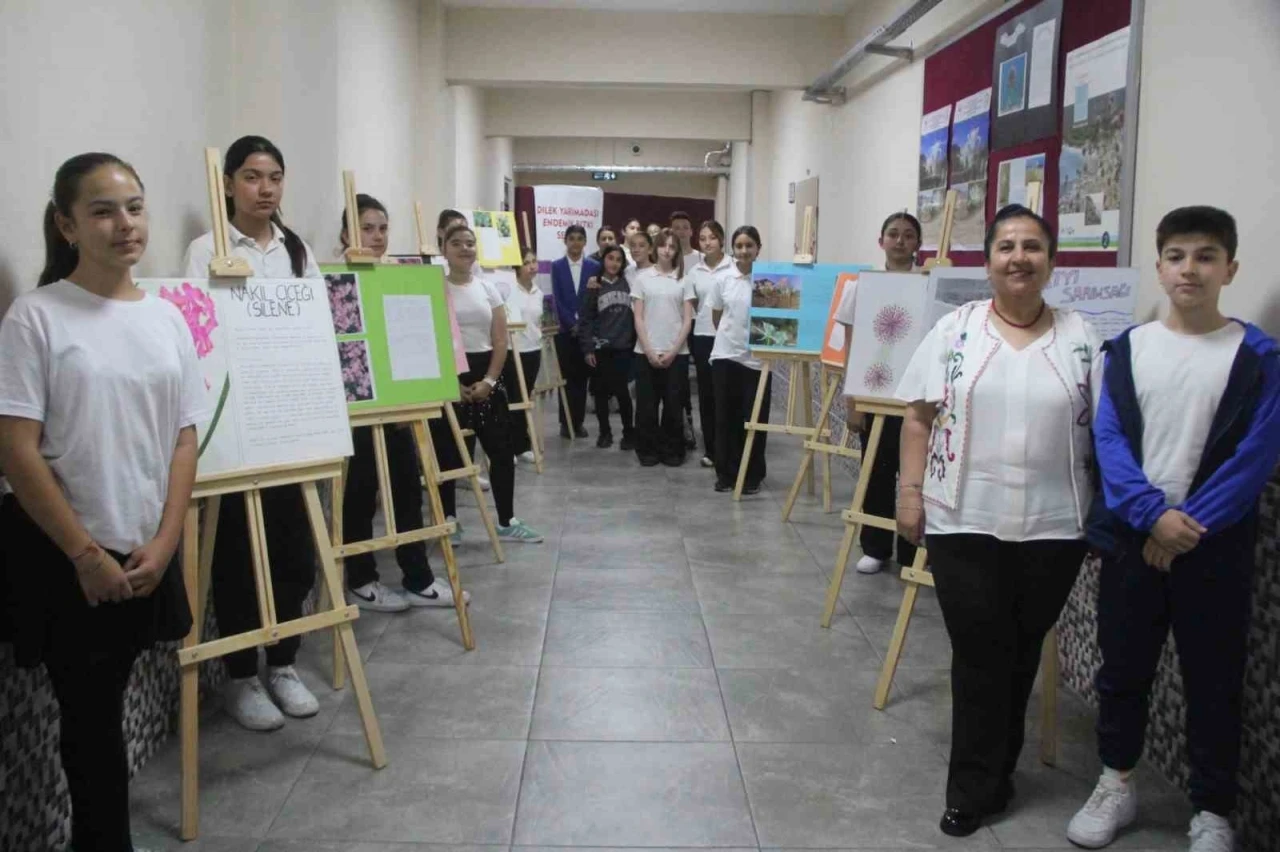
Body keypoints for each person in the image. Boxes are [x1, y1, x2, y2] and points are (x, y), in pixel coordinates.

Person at [0, 153, 202, 851]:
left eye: (135, 207)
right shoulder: (36, 317)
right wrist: (85, 555)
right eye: (103, 211)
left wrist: (167, 540)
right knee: (88, 723)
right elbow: (16, 448)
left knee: (106, 705)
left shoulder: (168, 319)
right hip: (65, 555)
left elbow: (183, 439)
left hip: (144, 549)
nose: (125, 224)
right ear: (67, 225)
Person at [1067, 207, 1280, 852]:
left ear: (1230, 269)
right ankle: (1116, 782)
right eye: (1177, 256)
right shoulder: (1127, 351)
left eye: (1206, 257)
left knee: (1215, 680)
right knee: (1123, 670)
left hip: (1217, 545)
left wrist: (1189, 526)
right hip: (1135, 541)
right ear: (1159, 268)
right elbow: (1109, 442)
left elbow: (1256, 455)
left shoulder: (1259, 356)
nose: (1191, 269)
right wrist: (1152, 518)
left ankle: (1213, 811)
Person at [895, 204, 1101, 838]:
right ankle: (970, 787)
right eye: (1006, 246)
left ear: (1051, 262)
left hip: (1055, 525)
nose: (1019, 258)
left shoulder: (1082, 339)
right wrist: (909, 494)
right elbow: (918, 418)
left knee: (1018, 651)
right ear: (987, 263)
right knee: (978, 650)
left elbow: (1107, 431)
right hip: (963, 519)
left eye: (1032, 246)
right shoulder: (954, 332)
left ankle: (998, 771)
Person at [182, 135, 325, 731]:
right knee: (237, 554)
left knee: (293, 551)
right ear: (228, 184)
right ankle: (241, 677)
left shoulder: (297, 251)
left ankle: (284, 664)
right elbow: (195, 333)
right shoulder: (205, 249)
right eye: (251, 176)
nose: (265, 189)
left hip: (289, 423)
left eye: (274, 177)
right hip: (234, 430)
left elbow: (316, 325)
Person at [333, 195, 466, 613]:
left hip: (400, 405)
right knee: (359, 493)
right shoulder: (335, 280)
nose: (377, 237)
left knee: (408, 487)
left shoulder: (398, 274)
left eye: (383, 228)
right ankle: (361, 580)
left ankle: (418, 577)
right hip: (356, 409)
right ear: (346, 235)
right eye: (367, 228)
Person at [433, 223, 544, 543]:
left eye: (470, 243)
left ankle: (507, 521)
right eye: (457, 243)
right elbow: (432, 339)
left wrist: (490, 380)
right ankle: (450, 520)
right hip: (450, 376)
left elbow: (500, 341)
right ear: (444, 249)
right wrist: (450, 383)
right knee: (449, 455)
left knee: (501, 450)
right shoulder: (435, 288)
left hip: (487, 376)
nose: (465, 248)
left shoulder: (488, 289)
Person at [834, 211, 923, 575]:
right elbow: (851, 347)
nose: (900, 241)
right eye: (893, 234)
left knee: (915, 477)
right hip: (875, 396)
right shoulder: (861, 287)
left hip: (917, 399)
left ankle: (911, 552)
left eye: (908, 235)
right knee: (876, 471)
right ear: (881, 241)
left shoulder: (928, 284)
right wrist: (853, 401)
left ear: (918, 243)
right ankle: (875, 546)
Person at [708, 225, 770, 494]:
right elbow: (717, 317)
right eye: (739, 246)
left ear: (758, 249)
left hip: (757, 361)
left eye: (749, 245)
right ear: (733, 249)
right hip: (726, 356)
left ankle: (752, 476)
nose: (744, 251)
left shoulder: (768, 282)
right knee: (725, 418)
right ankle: (726, 474)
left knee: (754, 419)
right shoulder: (723, 279)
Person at [632, 230, 695, 466]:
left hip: (677, 354)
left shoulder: (684, 280)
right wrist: (649, 350)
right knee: (646, 406)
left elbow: (687, 321)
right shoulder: (642, 279)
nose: (667, 250)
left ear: (677, 251)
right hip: (645, 352)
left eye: (672, 246)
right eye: (663, 245)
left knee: (673, 405)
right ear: (655, 248)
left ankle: (672, 450)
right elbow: (638, 318)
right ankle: (647, 450)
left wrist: (673, 351)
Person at [577, 245, 636, 449]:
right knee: (600, 393)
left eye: (618, 260)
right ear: (603, 260)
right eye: (610, 258)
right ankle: (605, 433)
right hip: (600, 348)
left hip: (623, 348)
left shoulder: (628, 283)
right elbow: (585, 319)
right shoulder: (594, 285)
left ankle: (629, 433)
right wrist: (588, 348)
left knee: (622, 393)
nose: (614, 263)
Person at [686, 220, 733, 468]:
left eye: (712, 237)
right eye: (703, 238)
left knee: (727, 395)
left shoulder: (733, 267)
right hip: (703, 336)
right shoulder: (695, 272)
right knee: (707, 395)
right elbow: (695, 304)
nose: (707, 242)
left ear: (722, 239)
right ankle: (712, 450)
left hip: (729, 337)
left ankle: (729, 449)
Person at [551, 225, 600, 438]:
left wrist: (582, 325)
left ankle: (578, 422)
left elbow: (595, 299)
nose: (576, 242)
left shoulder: (594, 266)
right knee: (566, 378)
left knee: (582, 379)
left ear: (585, 242)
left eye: (580, 238)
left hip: (586, 332)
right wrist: (572, 323)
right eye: (572, 238)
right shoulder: (556, 266)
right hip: (564, 331)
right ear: (565, 241)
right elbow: (556, 299)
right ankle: (565, 422)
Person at [503, 248, 544, 463]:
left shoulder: (538, 292)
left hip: (533, 350)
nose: (531, 266)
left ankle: (521, 444)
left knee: (525, 396)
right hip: (512, 350)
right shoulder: (509, 290)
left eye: (534, 261)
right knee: (512, 398)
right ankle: (508, 446)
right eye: (526, 262)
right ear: (517, 267)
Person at [335, 192, 388, 260]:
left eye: (383, 228)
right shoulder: (329, 266)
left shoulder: (396, 265)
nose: (379, 237)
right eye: (367, 228)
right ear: (347, 236)